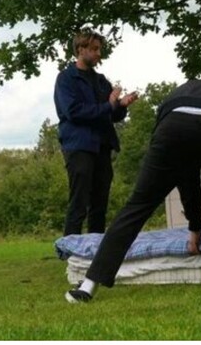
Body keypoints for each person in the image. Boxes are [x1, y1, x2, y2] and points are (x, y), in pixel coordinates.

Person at [65, 78, 201, 303]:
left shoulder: (180, 95)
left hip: (173, 127)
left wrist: (195, 227)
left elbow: (186, 176)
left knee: (138, 205)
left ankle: (88, 285)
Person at [54, 29, 139, 236]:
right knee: (79, 201)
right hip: (79, 146)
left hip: (102, 145)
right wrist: (109, 106)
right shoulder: (66, 79)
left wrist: (121, 105)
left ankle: (97, 249)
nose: (98, 53)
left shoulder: (101, 81)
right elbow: (73, 112)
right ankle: (70, 250)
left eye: (99, 49)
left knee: (100, 202)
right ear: (80, 50)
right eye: (94, 49)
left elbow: (113, 115)